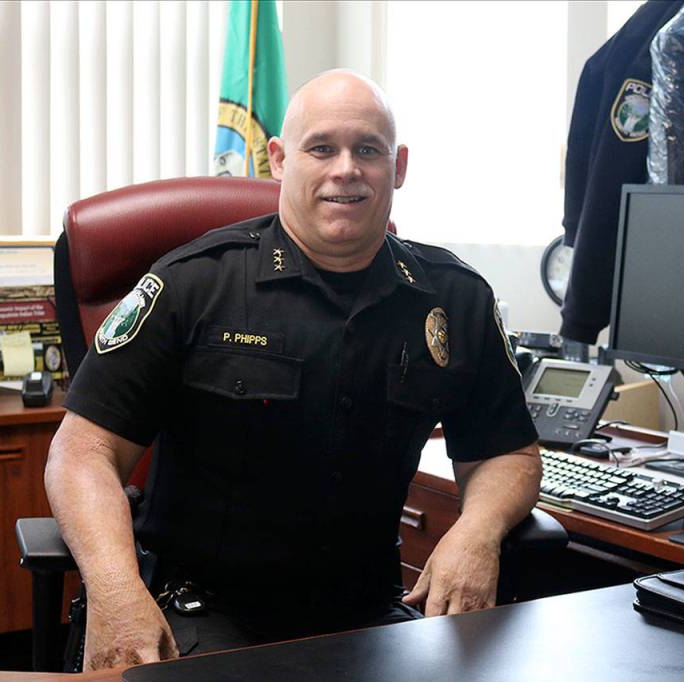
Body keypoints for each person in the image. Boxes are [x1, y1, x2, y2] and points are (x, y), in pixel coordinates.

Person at [45, 70, 541, 672]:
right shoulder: (194, 284)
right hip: (201, 610)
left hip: (369, 612)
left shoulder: (452, 299)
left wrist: (478, 530)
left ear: (399, 166)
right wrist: (117, 591)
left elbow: (506, 453)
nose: (346, 169)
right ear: (279, 160)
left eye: (368, 150)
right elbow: (81, 453)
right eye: (322, 148)